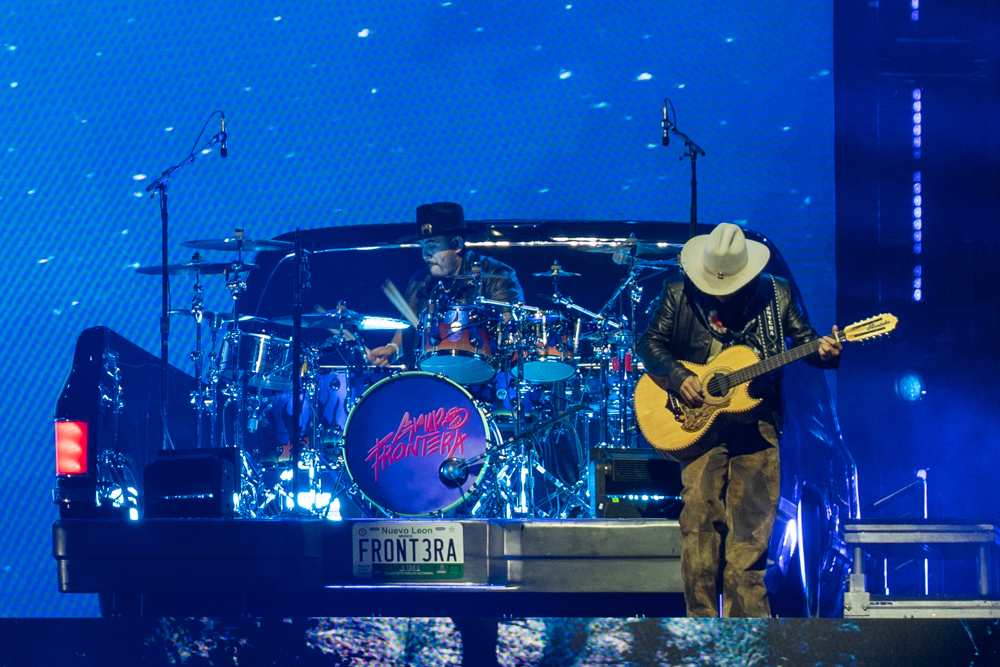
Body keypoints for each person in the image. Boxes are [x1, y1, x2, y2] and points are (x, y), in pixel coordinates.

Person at [635, 222, 842, 618]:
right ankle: (701, 627)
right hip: (697, 422)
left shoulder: (777, 294)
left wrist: (826, 353)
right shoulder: (679, 292)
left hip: (757, 422)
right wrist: (679, 376)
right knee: (699, 520)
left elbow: (805, 341)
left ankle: (747, 632)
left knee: (752, 530)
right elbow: (648, 343)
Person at [367, 202, 524, 372]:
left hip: (481, 373)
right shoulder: (420, 280)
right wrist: (392, 348)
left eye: (432, 246)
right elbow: (410, 324)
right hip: (429, 374)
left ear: (456, 244)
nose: (425, 255)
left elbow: (509, 328)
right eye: (422, 246)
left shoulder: (498, 275)